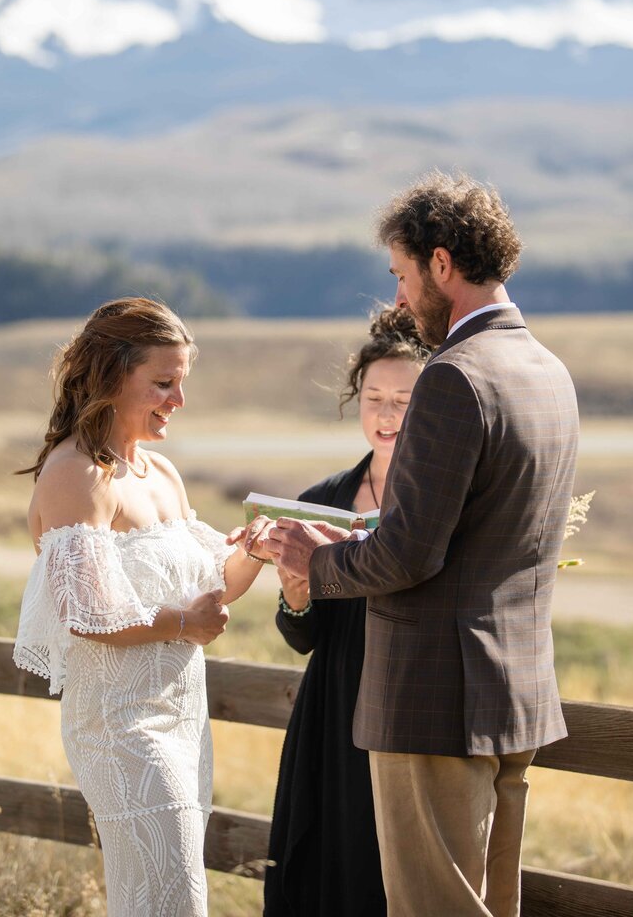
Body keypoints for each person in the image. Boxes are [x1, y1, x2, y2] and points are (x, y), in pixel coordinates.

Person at [266, 172, 579, 917]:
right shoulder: (548, 371)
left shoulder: (455, 377)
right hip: (515, 696)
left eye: (404, 277)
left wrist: (316, 560)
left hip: (434, 703)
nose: (401, 300)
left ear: (443, 265)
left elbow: (407, 553)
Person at [13, 298, 270, 917]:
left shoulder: (161, 474)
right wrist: (187, 625)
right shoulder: (74, 474)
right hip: (119, 726)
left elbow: (214, 588)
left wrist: (258, 550)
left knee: (161, 896)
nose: (178, 400)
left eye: (181, 383)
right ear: (108, 376)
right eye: (163, 383)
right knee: (171, 897)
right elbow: (88, 613)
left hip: (184, 719)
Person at [263, 308, 430, 917]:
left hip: (412, 704)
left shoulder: (439, 503)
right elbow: (299, 636)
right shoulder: (321, 500)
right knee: (325, 861)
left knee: (392, 871)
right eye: (375, 397)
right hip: (334, 703)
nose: (386, 415)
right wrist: (297, 594)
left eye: (405, 400)